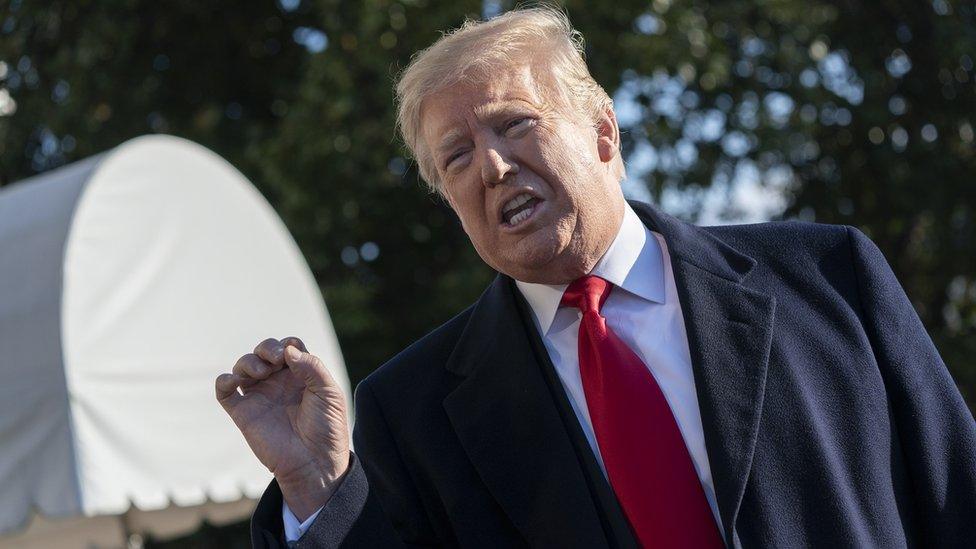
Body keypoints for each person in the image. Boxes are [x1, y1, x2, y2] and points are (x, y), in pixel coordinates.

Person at [215, 7, 976, 548]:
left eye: (515, 123)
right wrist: (317, 485)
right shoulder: (411, 411)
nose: (493, 164)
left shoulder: (826, 275)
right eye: (456, 156)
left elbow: (958, 499)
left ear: (603, 131)